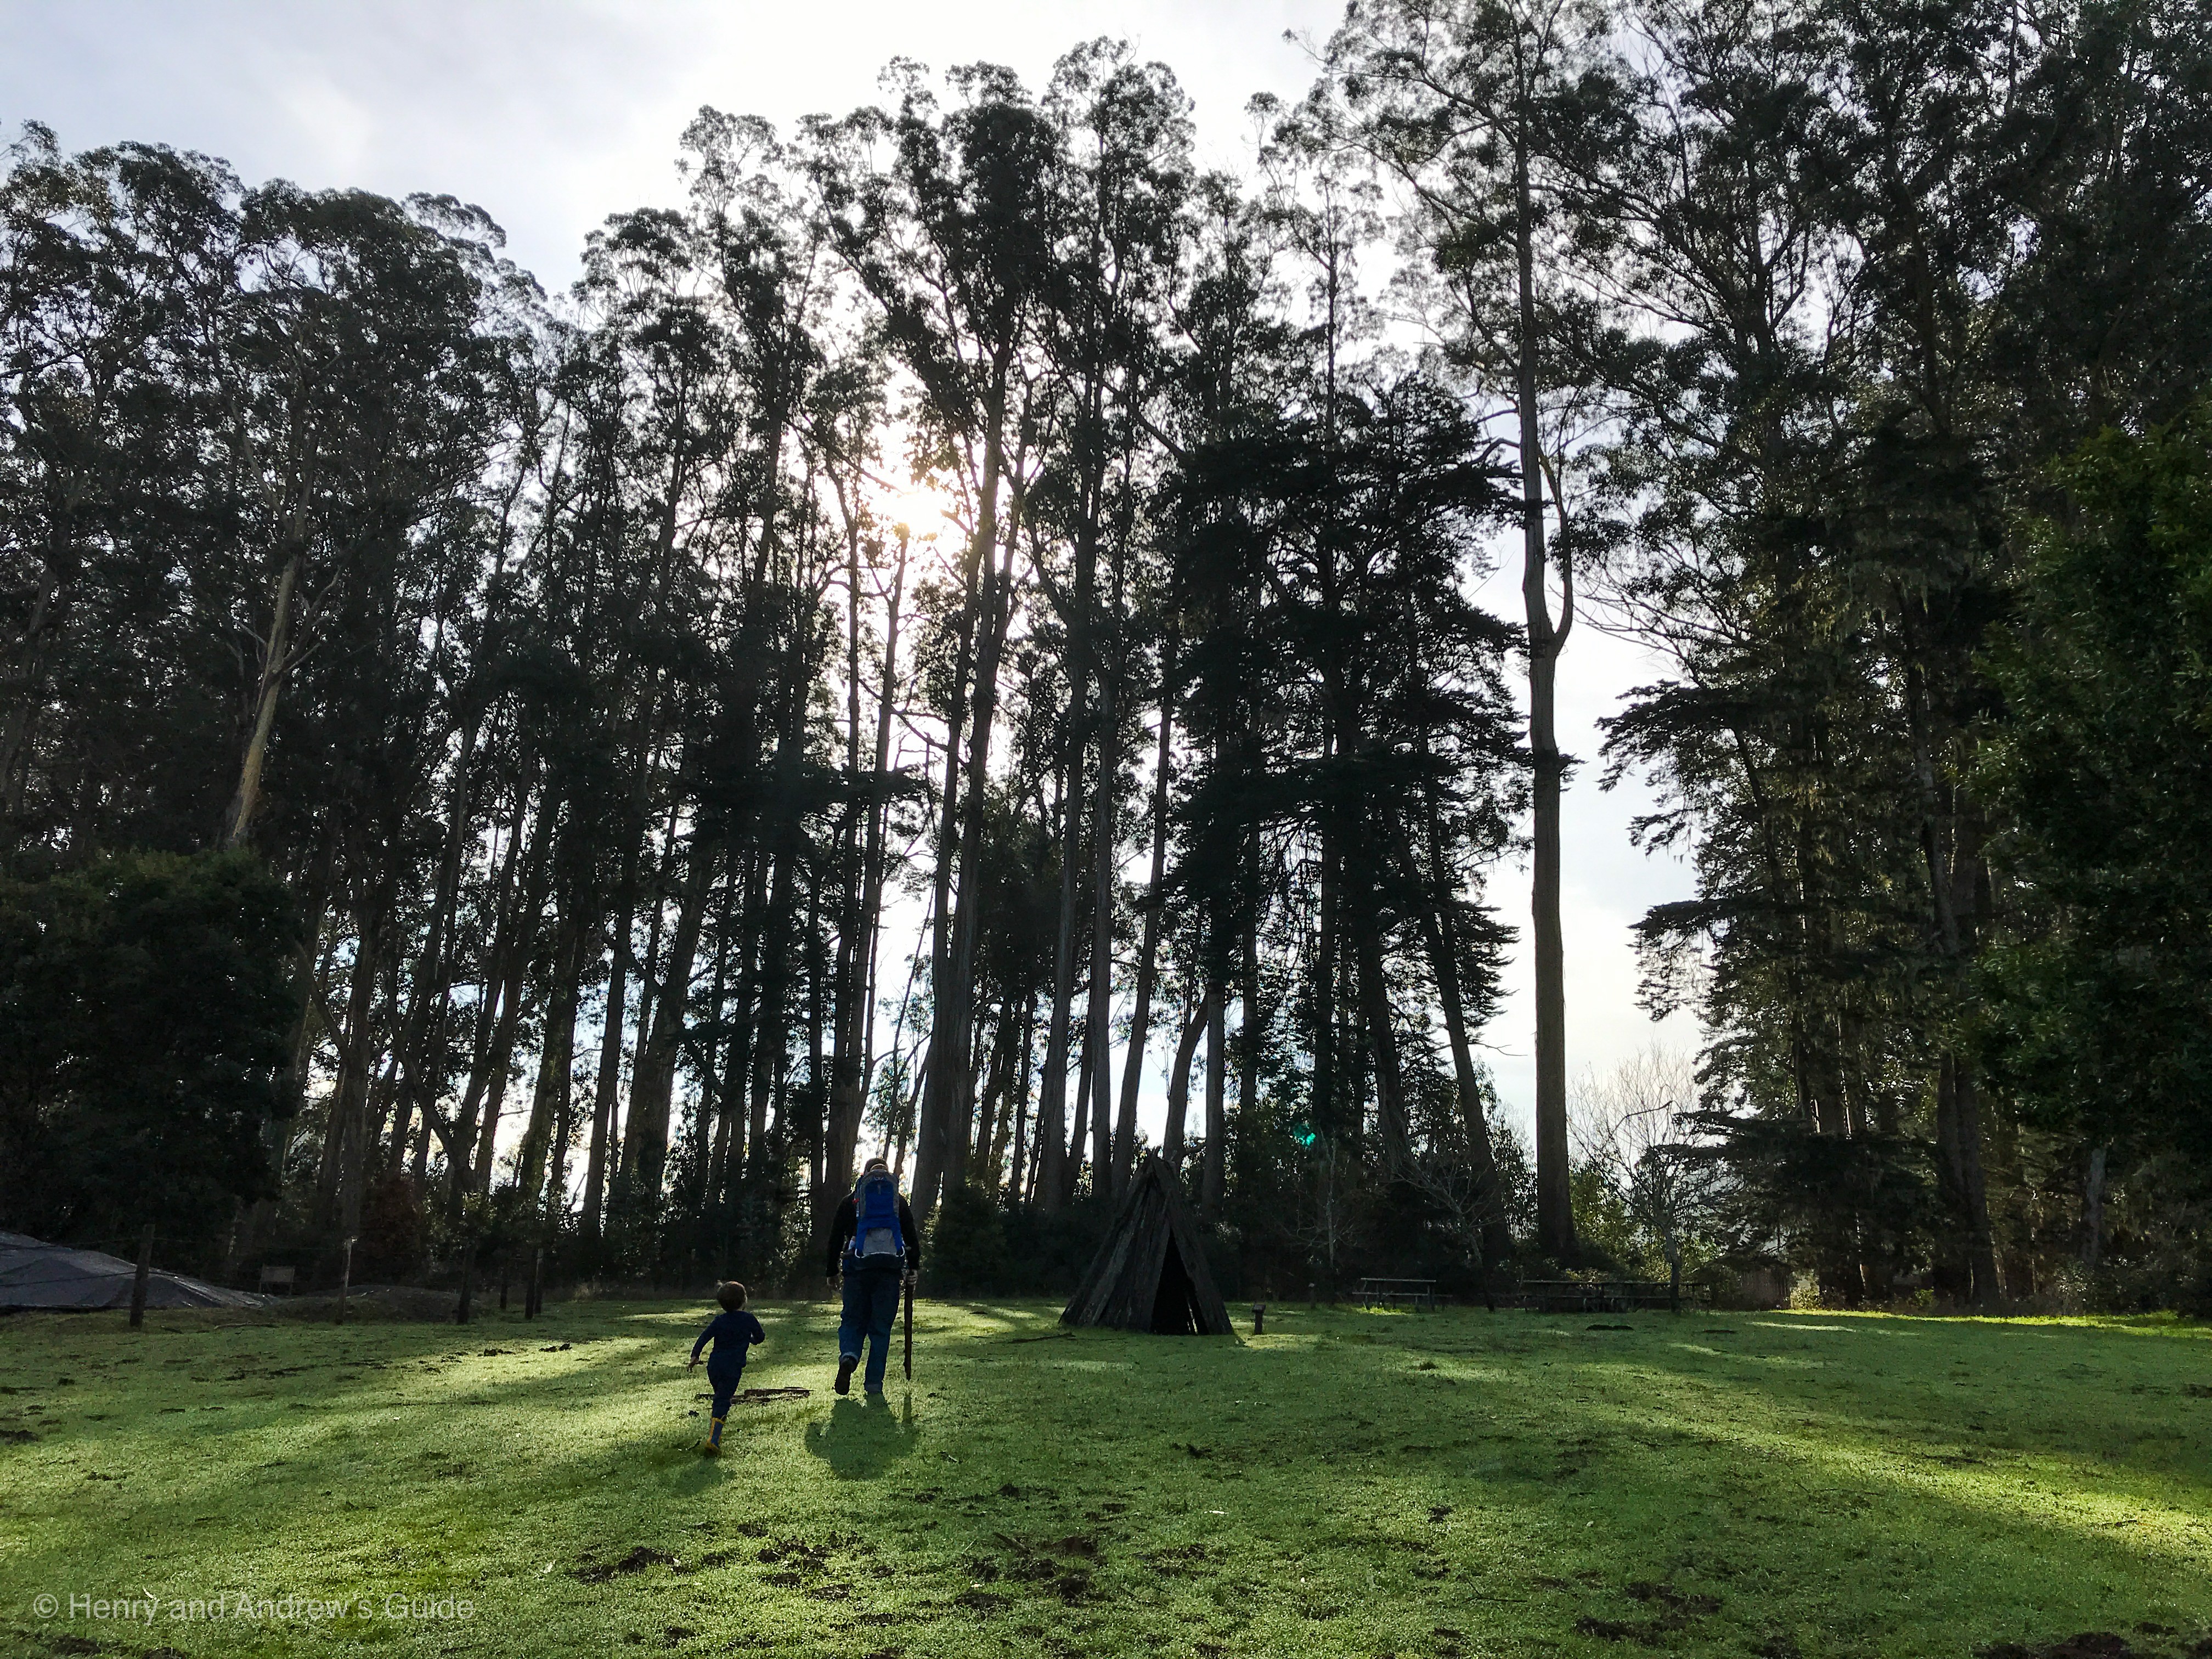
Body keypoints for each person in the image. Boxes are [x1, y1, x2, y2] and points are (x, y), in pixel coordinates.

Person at [824, 1157, 918, 1397]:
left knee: (853, 1320)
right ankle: (874, 1384)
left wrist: (831, 1271)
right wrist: (913, 1268)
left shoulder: (850, 1202)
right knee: (880, 1329)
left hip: (857, 1270)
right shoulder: (898, 1203)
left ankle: (849, 1358)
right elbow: (911, 1238)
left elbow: (835, 1237)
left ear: (864, 1176)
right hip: (888, 1272)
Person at [687, 1280, 765, 1454]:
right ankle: (713, 1440)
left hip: (714, 1366)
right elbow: (760, 1337)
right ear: (744, 1300)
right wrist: (750, 1339)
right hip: (732, 1367)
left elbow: (703, 1338)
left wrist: (695, 1356)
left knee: (721, 1397)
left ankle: (716, 1433)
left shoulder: (719, 1320)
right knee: (723, 1400)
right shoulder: (749, 1319)